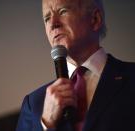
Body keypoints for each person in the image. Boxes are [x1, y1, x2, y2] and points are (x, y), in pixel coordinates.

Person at [16, 0, 135, 130]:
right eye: (47, 18)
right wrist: (46, 124)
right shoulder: (33, 104)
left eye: (63, 11)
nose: (53, 24)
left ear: (95, 19)